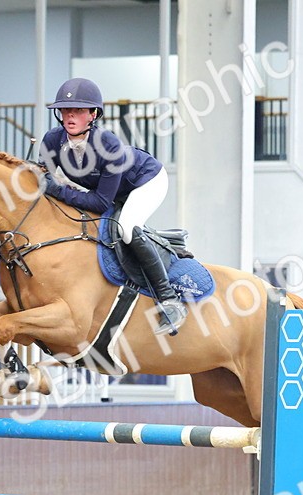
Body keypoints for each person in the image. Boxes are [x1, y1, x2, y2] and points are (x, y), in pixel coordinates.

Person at [38, 77, 186, 335]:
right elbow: (42, 180)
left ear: (93, 114)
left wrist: (59, 190)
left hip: (145, 181)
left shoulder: (108, 145)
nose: (70, 116)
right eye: (65, 110)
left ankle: (169, 300)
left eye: (78, 110)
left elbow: (99, 202)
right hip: (108, 190)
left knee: (127, 228)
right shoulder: (52, 141)